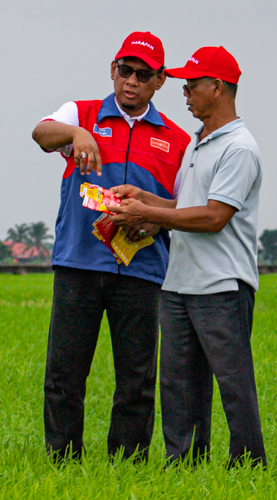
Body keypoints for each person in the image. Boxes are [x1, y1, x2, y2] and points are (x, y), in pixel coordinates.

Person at [31, 31, 190, 462]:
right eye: (125, 70)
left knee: (136, 378)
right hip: (79, 264)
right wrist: (78, 134)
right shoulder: (80, 112)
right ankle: (62, 460)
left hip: (140, 270)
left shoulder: (177, 140)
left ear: (159, 81)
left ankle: (128, 463)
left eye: (143, 74)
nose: (131, 81)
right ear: (113, 70)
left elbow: (183, 207)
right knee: (65, 372)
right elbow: (42, 133)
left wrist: (153, 223)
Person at [107, 46, 266, 467]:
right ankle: (184, 466)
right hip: (179, 283)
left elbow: (215, 216)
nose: (185, 93)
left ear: (217, 88)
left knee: (233, 385)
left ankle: (249, 467)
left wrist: (150, 213)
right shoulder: (200, 144)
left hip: (221, 285)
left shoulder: (239, 148)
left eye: (192, 85)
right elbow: (185, 205)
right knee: (178, 385)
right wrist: (146, 202)